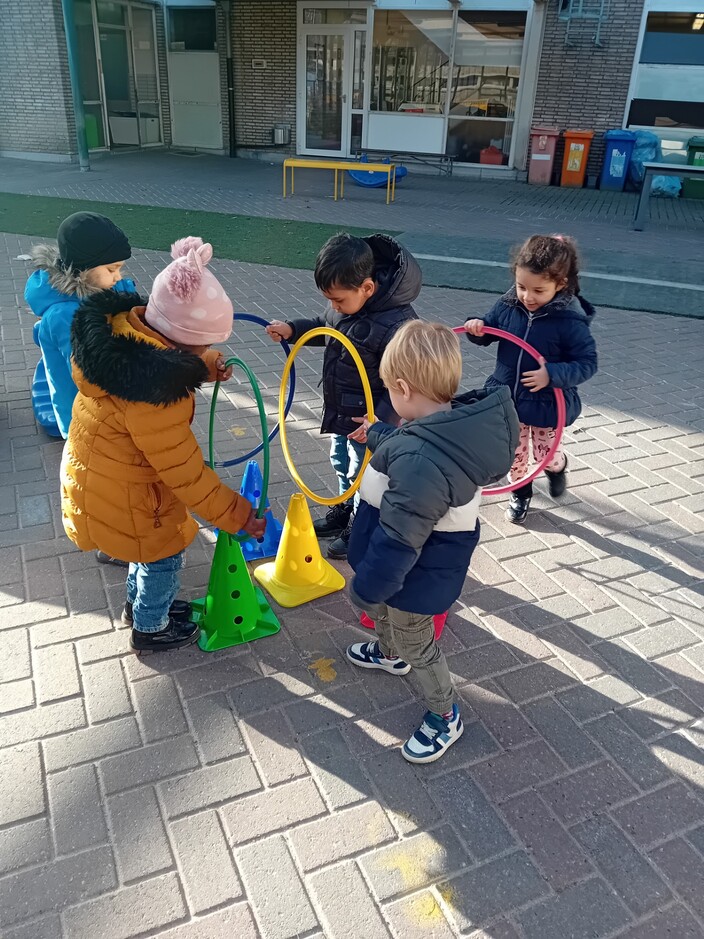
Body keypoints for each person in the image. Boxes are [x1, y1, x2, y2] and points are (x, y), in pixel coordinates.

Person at [61, 237, 266, 653]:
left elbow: (163, 356)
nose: (207, 352)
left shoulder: (121, 338)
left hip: (106, 478)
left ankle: (139, 607)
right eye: (202, 347)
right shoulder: (154, 398)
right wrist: (237, 514)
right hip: (133, 492)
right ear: (179, 339)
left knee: (142, 551)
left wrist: (203, 367)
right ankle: (151, 629)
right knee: (163, 555)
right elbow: (185, 472)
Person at [344, 321, 519, 763]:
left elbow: (400, 540)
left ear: (402, 388)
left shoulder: (423, 461)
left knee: (415, 640)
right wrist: (378, 434)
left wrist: (366, 586)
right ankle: (388, 653)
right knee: (389, 617)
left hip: (412, 574)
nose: (389, 400)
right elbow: (407, 441)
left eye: (389, 390)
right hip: (411, 570)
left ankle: (445, 714)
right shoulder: (441, 426)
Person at [265, 233, 420, 560]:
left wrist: (379, 420)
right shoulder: (346, 304)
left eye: (338, 300)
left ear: (366, 287)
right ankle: (343, 510)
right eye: (330, 299)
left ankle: (361, 526)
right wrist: (293, 330)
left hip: (369, 420)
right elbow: (325, 325)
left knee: (366, 476)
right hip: (342, 410)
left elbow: (404, 382)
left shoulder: (399, 324)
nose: (334, 306)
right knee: (342, 464)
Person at [464, 234, 597, 524]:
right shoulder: (509, 304)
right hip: (508, 399)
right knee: (514, 453)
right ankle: (520, 492)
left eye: (539, 290)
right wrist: (479, 327)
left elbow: (587, 363)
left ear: (560, 285)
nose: (528, 296)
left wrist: (552, 374)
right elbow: (491, 328)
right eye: (522, 286)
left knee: (545, 453)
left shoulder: (569, 321)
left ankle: (556, 467)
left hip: (546, 404)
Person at [25, 211, 134, 439]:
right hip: (85, 421)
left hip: (104, 413)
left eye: (120, 268)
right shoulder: (66, 316)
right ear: (83, 269)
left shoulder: (100, 290)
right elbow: (89, 378)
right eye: (112, 269)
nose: (117, 276)